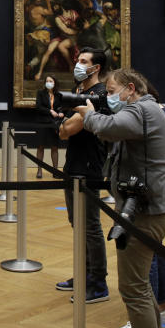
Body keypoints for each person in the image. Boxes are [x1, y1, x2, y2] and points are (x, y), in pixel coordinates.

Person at [76, 68, 165, 328]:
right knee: (140, 285)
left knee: (133, 288)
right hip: (142, 210)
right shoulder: (144, 110)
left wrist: (88, 113)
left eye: (111, 91)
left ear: (130, 88)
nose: (109, 96)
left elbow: (106, 128)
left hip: (143, 214)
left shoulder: (142, 111)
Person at [56, 48, 110, 303]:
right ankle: (84, 274)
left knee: (90, 226)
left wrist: (67, 125)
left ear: (96, 67)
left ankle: (98, 282)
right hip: (73, 164)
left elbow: (71, 127)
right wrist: (67, 126)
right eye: (78, 60)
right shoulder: (80, 92)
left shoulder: (99, 95)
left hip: (89, 167)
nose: (78, 64)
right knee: (77, 225)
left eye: (83, 61)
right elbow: (64, 130)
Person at [34, 73, 65, 178]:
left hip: (54, 124)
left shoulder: (59, 95)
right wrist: (50, 111)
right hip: (42, 123)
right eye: (47, 81)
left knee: (54, 147)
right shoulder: (40, 93)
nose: (49, 83)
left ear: (55, 83)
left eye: (51, 81)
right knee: (40, 147)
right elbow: (38, 107)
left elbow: (61, 107)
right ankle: (39, 170)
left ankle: (55, 171)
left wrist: (61, 112)